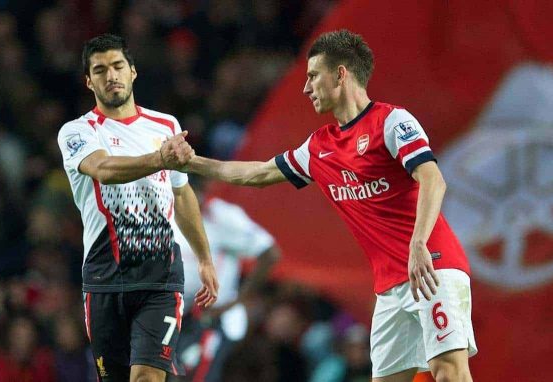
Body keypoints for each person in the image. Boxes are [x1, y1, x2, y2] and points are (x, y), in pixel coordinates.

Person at [178, 30, 477, 382]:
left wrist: (418, 244)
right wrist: (191, 162)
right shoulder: (320, 147)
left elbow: (433, 179)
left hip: (432, 266)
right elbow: (256, 173)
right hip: (390, 287)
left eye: (312, 76)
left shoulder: (392, 121)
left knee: (449, 373)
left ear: (340, 74)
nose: (306, 88)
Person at [57, 34, 219, 382]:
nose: (110, 75)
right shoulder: (77, 132)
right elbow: (105, 170)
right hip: (104, 277)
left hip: (160, 276)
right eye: (99, 70)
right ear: (89, 81)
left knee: (147, 376)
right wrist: (160, 158)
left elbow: (182, 194)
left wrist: (204, 258)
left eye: (117, 66)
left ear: (133, 72)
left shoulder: (166, 126)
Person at [171, 179, 280, 381]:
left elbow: (270, 253)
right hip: (174, 314)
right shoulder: (167, 214)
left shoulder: (223, 217)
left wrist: (237, 301)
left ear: (204, 189)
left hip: (212, 317)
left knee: (198, 375)